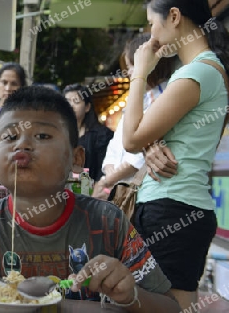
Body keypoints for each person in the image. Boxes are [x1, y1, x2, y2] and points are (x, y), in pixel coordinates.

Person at [0, 86, 181, 312]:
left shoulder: (108, 223)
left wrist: (131, 296)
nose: (23, 145)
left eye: (42, 135)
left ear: (76, 159)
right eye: (9, 137)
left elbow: (170, 307)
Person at [122, 0, 229, 311]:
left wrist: (140, 72)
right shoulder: (202, 71)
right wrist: (150, 144)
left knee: (168, 306)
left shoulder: (197, 72)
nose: (151, 35)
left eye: (152, 24)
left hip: (173, 207)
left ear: (174, 16)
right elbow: (152, 136)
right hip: (174, 205)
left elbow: (130, 137)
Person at [93, 33, 177, 199]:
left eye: (132, 65)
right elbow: (115, 145)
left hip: (145, 191)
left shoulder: (166, 96)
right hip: (122, 187)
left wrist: (107, 181)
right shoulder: (140, 98)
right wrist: (110, 174)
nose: (129, 73)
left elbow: (138, 152)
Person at [63, 83, 114, 182]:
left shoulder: (102, 135)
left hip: (91, 192)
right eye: (67, 102)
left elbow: (103, 169)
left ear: (87, 107)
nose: (71, 106)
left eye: (76, 101)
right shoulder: (57, 135)